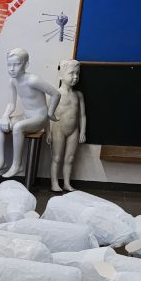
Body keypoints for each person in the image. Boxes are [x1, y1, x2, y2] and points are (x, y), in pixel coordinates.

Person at [0, 48, 61, 178]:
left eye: (16, 64)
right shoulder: (13, 81)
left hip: (39, 117)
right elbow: (11, 104)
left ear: (26, 64)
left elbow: (56, 94)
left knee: (18, 127)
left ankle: (17, 165)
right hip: (26, 116)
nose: (12, 69)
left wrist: (50, 113)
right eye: (9, 65)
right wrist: (5, 117)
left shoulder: (33, 80)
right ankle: (1, 161)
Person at [49, 59, 87, 192]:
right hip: (58, 129)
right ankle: (54, 183)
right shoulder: (55, 94)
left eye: (77, 74)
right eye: (71, 73)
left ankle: (66, 183)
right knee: (57, 158)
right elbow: (49, 115)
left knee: (70, 159)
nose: (75, 77)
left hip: (74, 130)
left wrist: (82, 131)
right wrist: (48, 132)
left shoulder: (79, 95)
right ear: (61, 75)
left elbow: (82, 115)